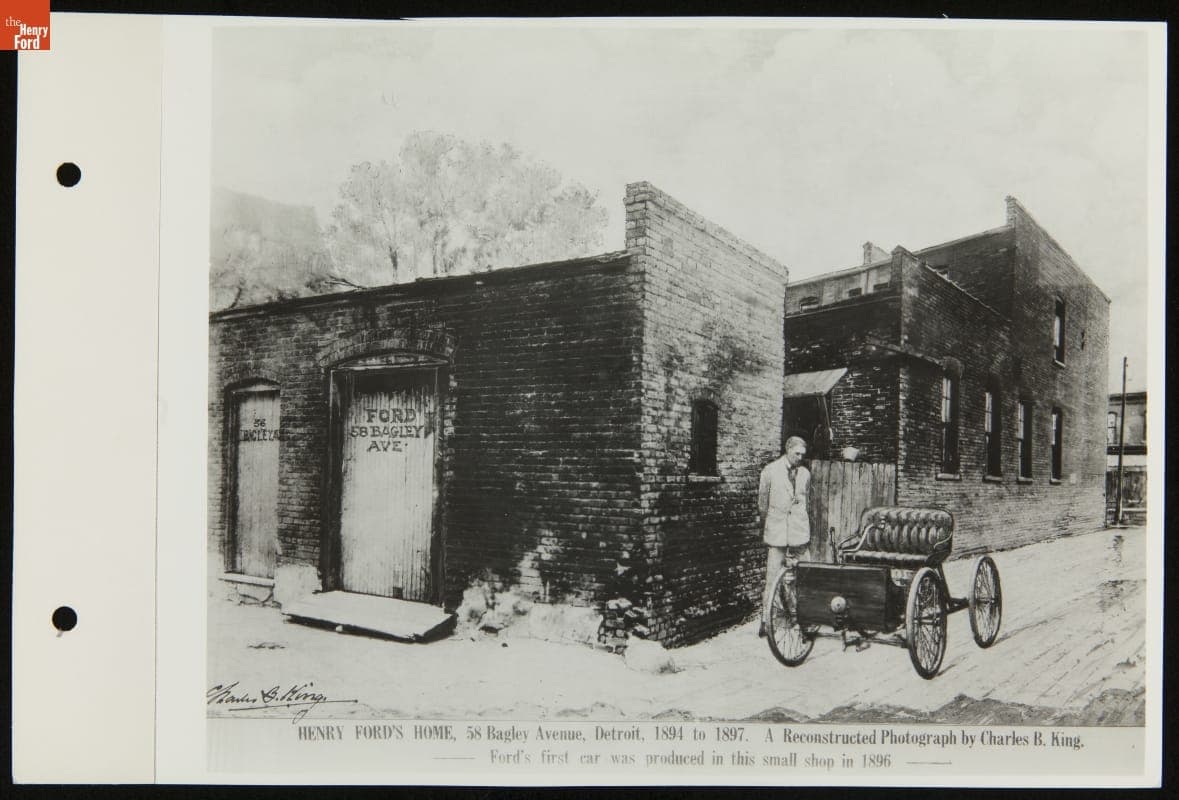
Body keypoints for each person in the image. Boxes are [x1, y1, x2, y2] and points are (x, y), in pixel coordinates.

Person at [757, 436, 811, 636]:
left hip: (799, 533)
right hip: (777, 533)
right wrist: (771, 524)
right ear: (787, 449)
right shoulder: (770, 471)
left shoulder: (805, 474)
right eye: (796, 453)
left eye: (802, 455)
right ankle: (766, 621)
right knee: (772, 577)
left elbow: (806, 500)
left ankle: (801, 618)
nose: (799, 457)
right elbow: (762, 505)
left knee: (804, 575)